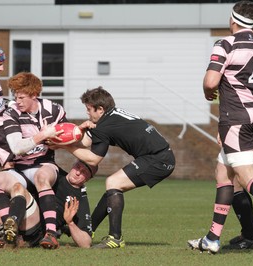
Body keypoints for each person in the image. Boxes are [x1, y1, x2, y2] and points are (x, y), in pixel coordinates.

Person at [60, 86, 175, 249]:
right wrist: (77, 131)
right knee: (113, 187)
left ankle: (115, 238)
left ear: (100, 109)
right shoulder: (112, 117)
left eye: (88, 109)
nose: (87, 113)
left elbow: (93, 159)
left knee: (113, 183)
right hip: (160, 156)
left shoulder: (104, 126)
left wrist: (65, 147)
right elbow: (86, 142)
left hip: (157, 159)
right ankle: (90, 229)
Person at [187, 1, 253, 254]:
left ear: (233, 20)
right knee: (223, 173)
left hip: (236, 118)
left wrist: (208, 92)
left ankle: (215, 240)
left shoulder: (226, 43)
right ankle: (212, 238)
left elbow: (211, 81)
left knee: (247, 177)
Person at [0, 72, 67, 249]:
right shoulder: (11, 112)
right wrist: (43, 135)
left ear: (34, 95)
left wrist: (57, 143)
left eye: (21, 97)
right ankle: (9, 229)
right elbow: (17, 148)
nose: (17, 101)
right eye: (15, 96)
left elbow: (68, 136)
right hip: (20, 169)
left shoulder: (54, 110)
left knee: (42, 177)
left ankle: (51, 234)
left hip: (44, 164)